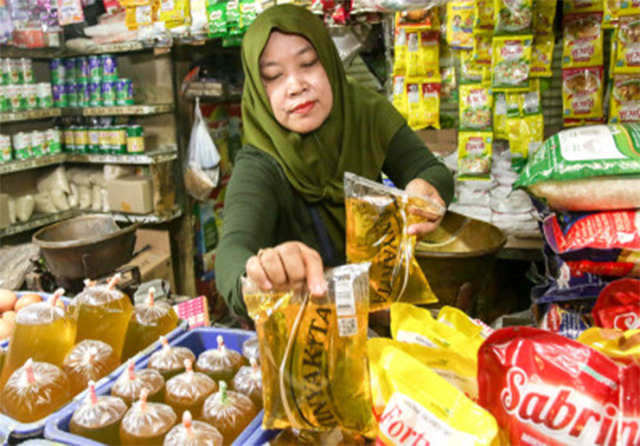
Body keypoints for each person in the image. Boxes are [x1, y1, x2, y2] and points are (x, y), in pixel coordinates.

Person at [215, 4, 454, 320]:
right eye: (273, 76)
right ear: (259, 90)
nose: (296, 85)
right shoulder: (259, 164)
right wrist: (260, 275)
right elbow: (232, 252)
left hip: (379, 307)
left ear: (328, 61)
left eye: (308, 64)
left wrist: (426, 189)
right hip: (306, 330)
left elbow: (429, 169)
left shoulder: (364, 112)